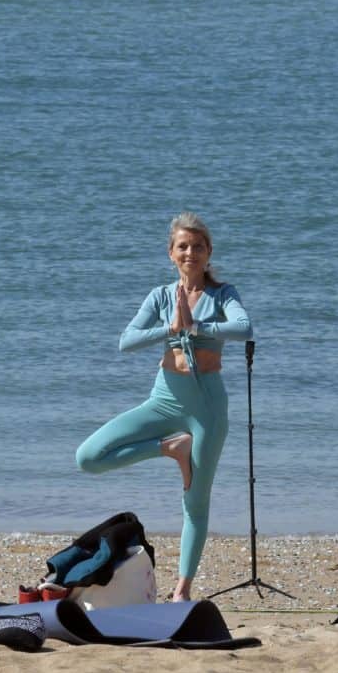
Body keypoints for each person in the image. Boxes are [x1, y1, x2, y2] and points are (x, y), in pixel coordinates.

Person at [75, 212, 253, 601]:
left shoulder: (224, 295)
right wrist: (170, 329)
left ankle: (182, 589)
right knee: (88, 456)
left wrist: (197, 328)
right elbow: (127, 341)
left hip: (206, 408)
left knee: (195, 500)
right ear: (172, 253)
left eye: (198, 246)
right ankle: (168, 448)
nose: (190, 252)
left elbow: (245, 328)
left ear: (209, 253)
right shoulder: (160, 296)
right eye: (183, 246)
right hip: (164, 400)